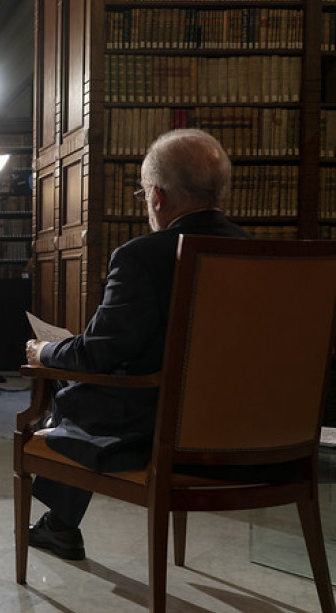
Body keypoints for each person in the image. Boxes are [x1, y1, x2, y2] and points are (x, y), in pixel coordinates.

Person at [22, 129, 249, 561]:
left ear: (158, 197)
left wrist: (45, 352)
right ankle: (60, 525)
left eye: (143, 192)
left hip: (160, 429)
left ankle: (60, 524)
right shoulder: (255, 255)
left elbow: (96, 354)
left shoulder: (142, 256)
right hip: (244, 428)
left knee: (72, 391)